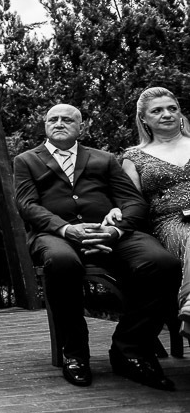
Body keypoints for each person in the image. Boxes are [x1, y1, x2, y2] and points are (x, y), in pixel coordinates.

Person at [14, 103, 181, 390]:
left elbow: (133, 201)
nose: (59, 123)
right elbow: (27, 205)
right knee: (62, 262)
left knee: (163, 263)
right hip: (57, 235)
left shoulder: (103, 159)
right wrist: (66, 229)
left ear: (81, 127)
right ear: (45, 126)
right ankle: (75, 353)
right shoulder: (27, 161)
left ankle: (130, 347)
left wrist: (115, 230)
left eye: (67, 119)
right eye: (52, 119)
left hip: (111, 233)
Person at [117, 87, 190, 333]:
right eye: (157, 111)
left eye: (172, 108)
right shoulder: (134, 157)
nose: (167, 114)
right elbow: (132, 202)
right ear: (144, 119)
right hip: (172, 222)